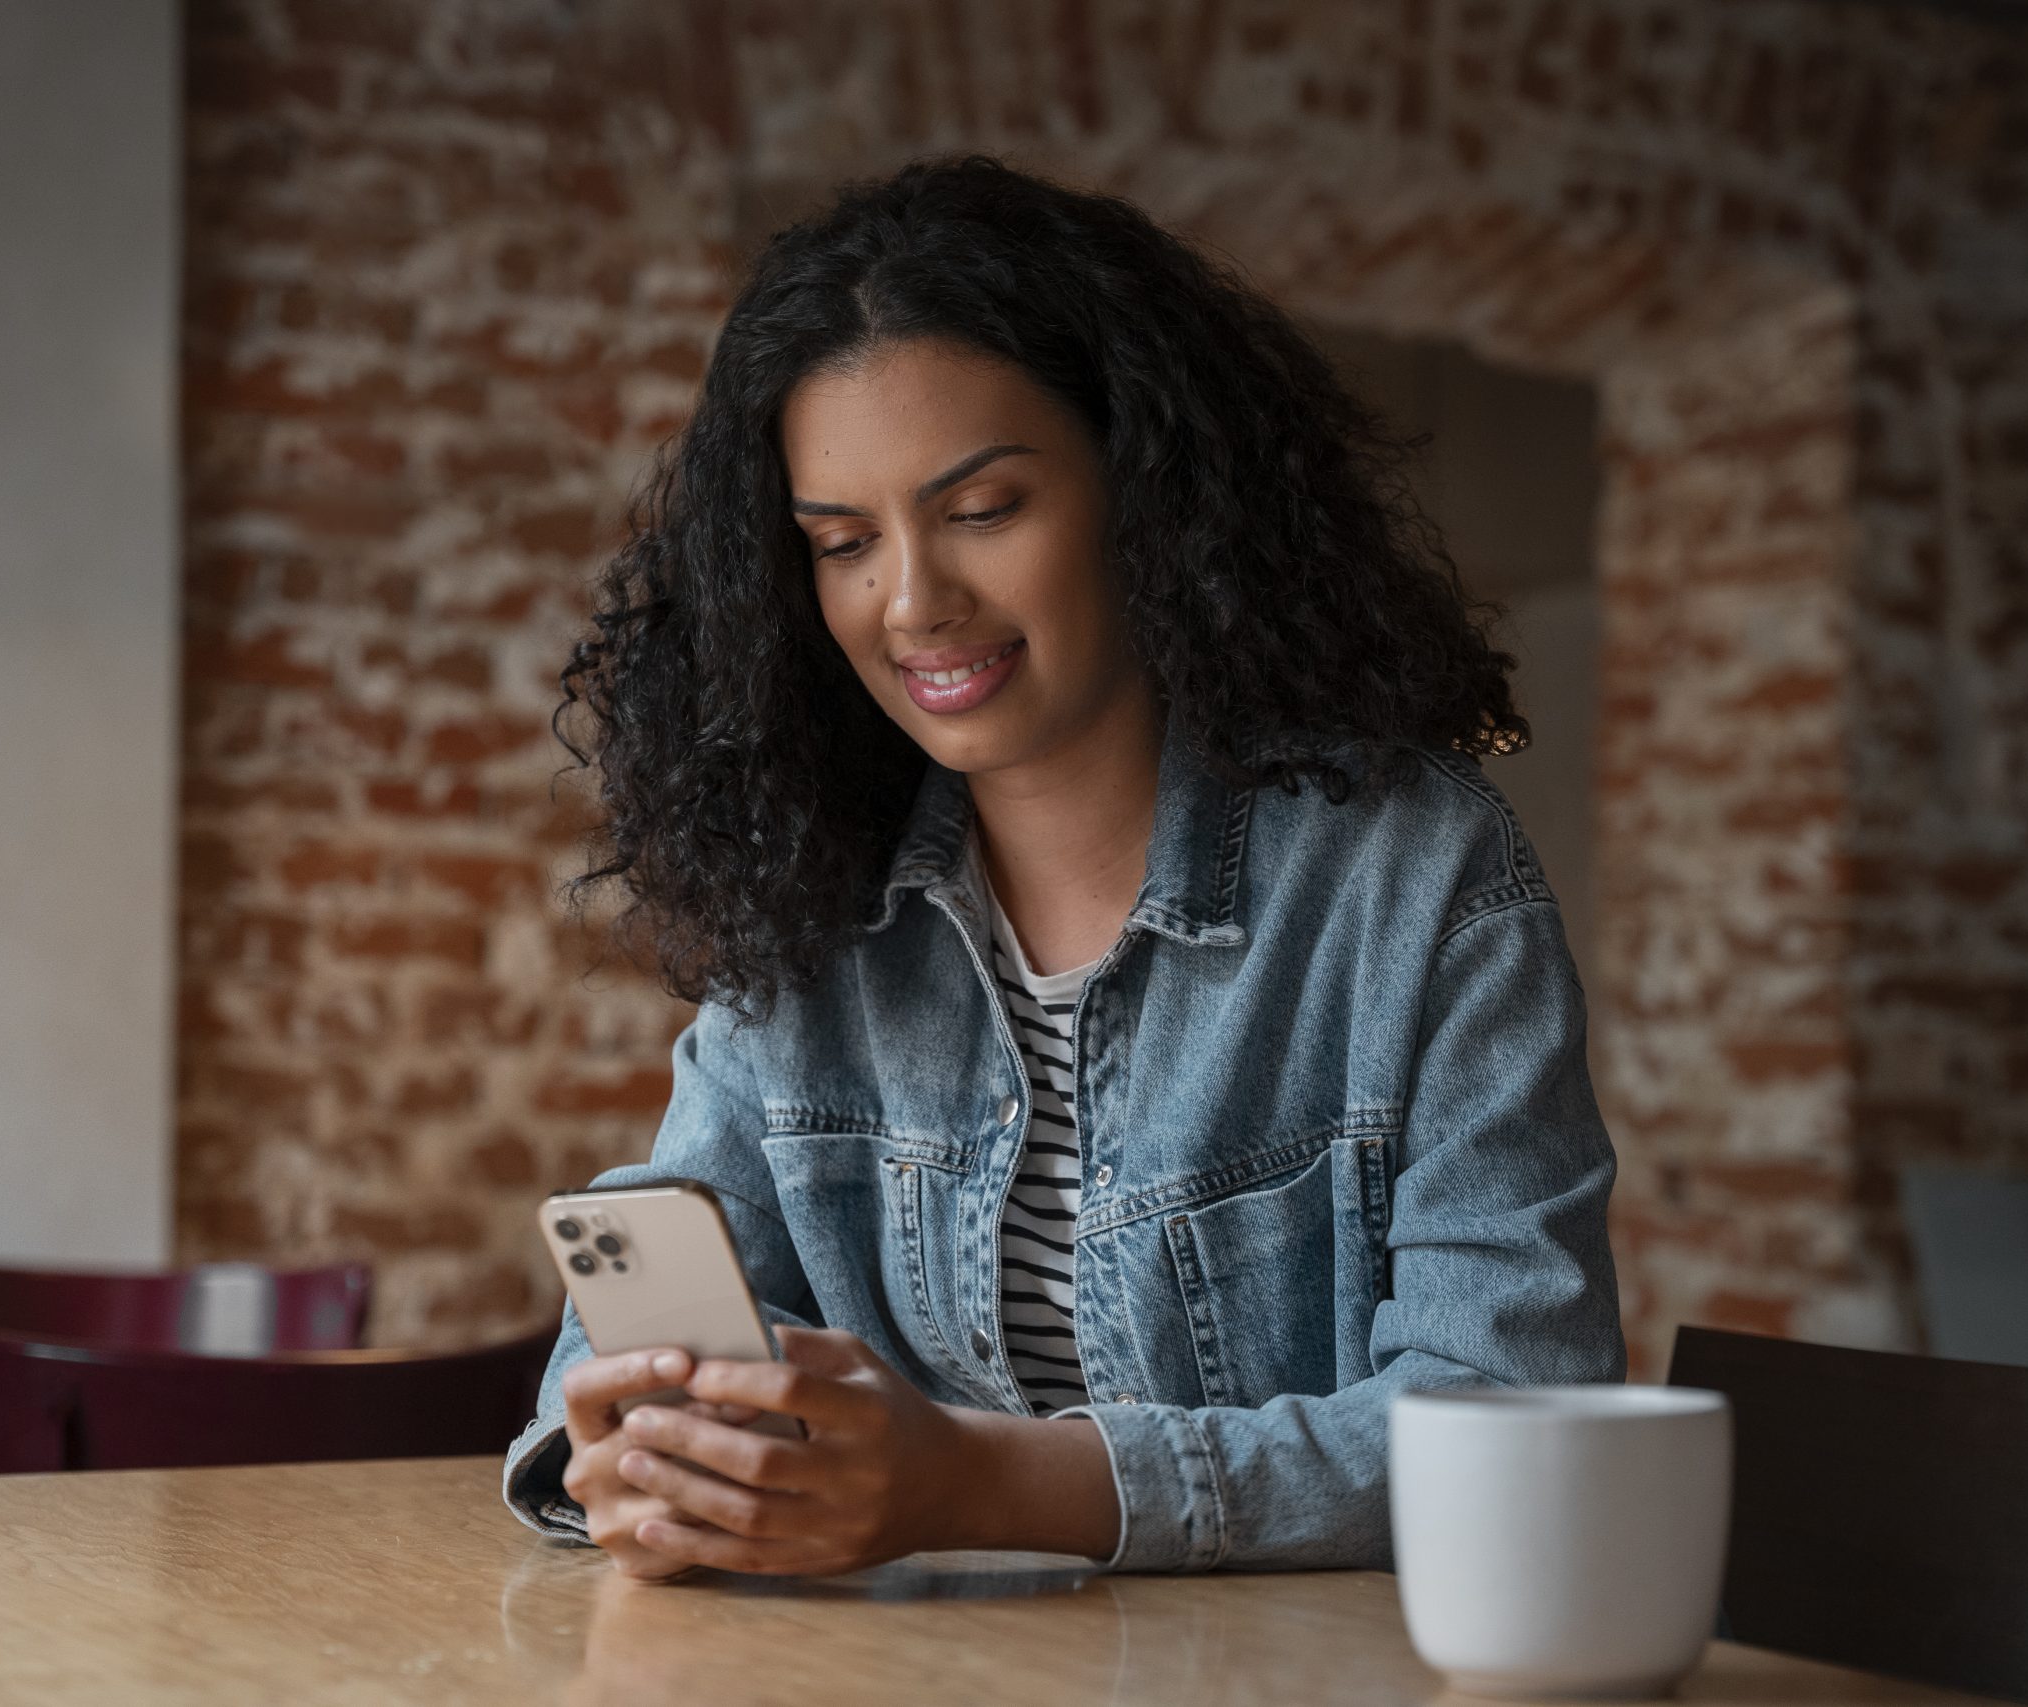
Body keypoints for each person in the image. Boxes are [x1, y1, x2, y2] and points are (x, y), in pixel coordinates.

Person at [501, 153, 1623, 1578]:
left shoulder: (1413, 880)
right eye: (843, 543)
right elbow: (643, 1330)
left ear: (1145, 493)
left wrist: (976, 1483)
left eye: (982, 511)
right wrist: (650, 1453)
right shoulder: (813, 906)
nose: (913, 602)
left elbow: (1512, 1421)